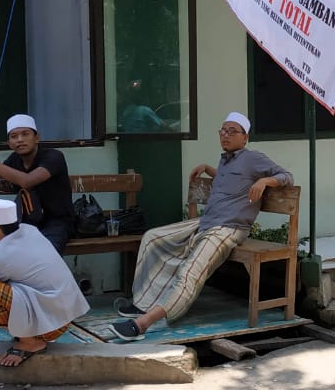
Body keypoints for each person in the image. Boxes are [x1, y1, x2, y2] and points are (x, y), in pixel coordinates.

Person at [107, 111, 292, 341]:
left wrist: (265, 181)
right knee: (153, 238)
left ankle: (142, 324)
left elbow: (286, 176)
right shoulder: (226, 159)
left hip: (228, 228)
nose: (225, 135)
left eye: (232, 131)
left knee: (190, 272)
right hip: (205, 222)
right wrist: (208, 168)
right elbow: (230, 180)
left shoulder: (253, 158)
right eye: (223, 131)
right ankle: (144, 302)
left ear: (245, 137)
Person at [0, 199, 89, 367]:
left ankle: (30, 342)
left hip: (50, 328)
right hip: (63, 317)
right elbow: (12, 254)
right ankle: (29, 334)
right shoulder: (29, 231)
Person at [0, 114, 74, 254]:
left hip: (56, 221)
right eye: (14, 136)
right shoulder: (14, 160)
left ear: (37, 138)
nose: (20, 140)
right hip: (25, 219)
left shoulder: (53, 156)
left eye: (25, 134)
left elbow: (26, 181)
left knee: (46, 254)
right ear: (9, 143)